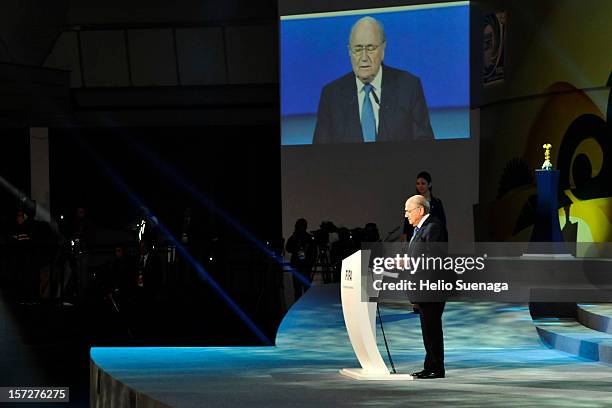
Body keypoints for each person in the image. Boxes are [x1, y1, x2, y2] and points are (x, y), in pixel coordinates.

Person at [313, 16, 434, 144]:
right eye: (358, 49)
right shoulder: (331, 95)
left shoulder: (409, 87)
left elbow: (425, 145)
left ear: (383, 49)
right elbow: (319, 154)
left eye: (370, 48)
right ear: (349, 51)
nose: (364, 57)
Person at [405, 195, 447, 379]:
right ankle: (429, 366)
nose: (406, 214)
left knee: (432, 329)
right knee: (427, 329)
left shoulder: (434, 227)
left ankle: (436, 368)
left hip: (432, 287)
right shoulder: (420, 229)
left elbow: (434, 257)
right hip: (423, 287)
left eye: (408, 210)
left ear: (420, 210)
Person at [401, 171, 447, 242]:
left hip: (432, 236)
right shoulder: (413, 201)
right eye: (418, 184)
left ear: (429, 184)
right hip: (415, 235)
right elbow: (408, 219)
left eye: (423, 183)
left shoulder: (436, 202)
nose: (420, 186)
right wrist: (405, 234)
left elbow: (442, 221)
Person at [285, 218, 315, 301]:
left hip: (304, 267)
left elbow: (313, 252)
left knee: (303, 290)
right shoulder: (295, 237)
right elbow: (288, 248)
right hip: (298, 267)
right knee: (299, 291)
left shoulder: (307, 238)